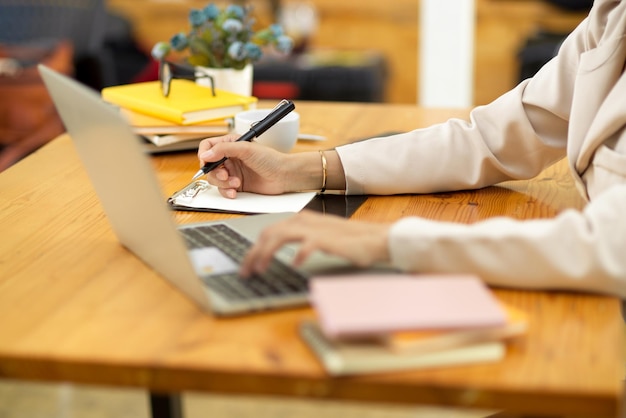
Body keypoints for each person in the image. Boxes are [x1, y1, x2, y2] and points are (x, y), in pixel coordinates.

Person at [198, 0, 626, 299]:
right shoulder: (611, 15)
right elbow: (490, 139)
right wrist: (301, 170)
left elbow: (609, 245)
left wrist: (388, 241)